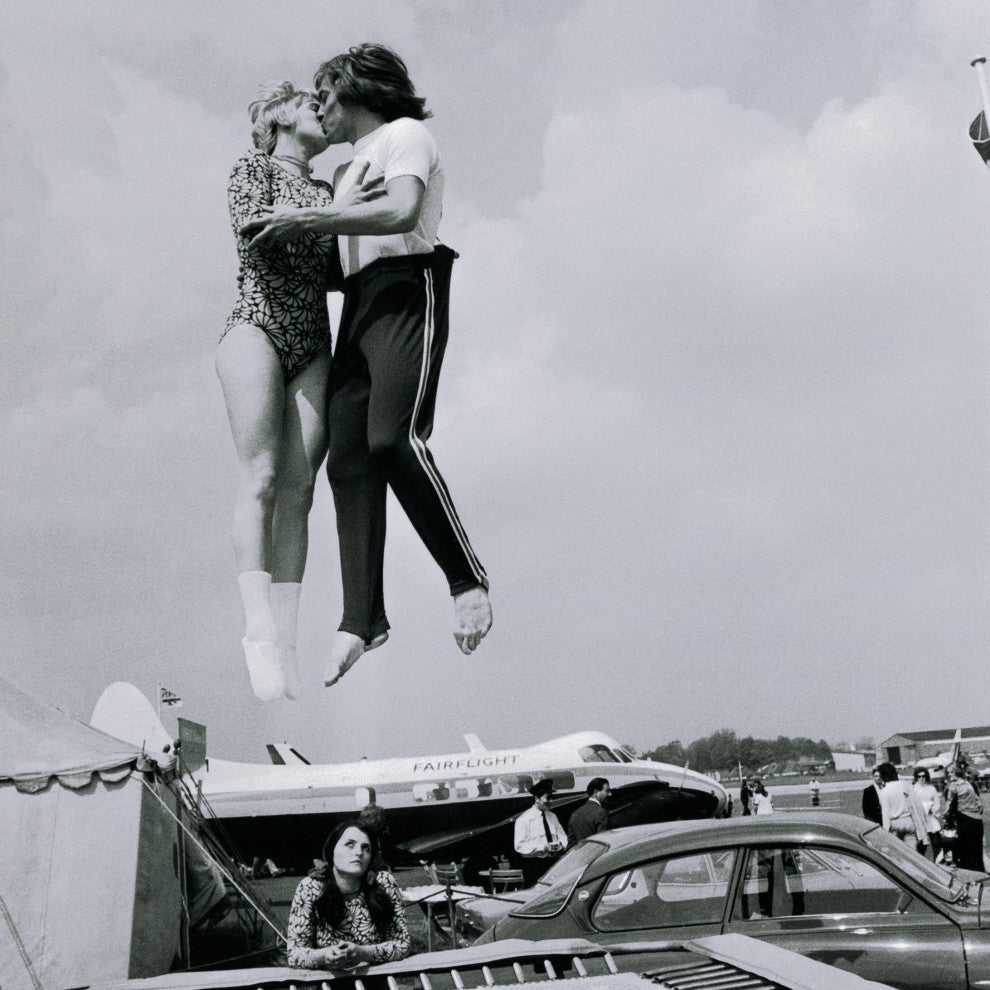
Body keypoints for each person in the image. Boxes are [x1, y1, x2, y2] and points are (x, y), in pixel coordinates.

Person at [241, 44, 492, 687]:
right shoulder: (348, 172)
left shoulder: (405, 136)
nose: (320, 108)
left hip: (409, 287)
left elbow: (403, 209)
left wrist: (306, 216)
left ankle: (466, 581)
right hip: (358, 306)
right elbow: (328, 255)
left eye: (325, 96)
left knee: (393, 439)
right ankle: (362, 617)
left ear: (354, 93)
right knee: (348, 459)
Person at [217, 82, 381, 701]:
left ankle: (285, 636)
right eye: (310, 101)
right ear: (281, 117)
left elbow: (338, 272)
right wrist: (331, 216)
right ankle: (257, 629)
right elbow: (256, 230)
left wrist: (351, 213)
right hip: (257, 326)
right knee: (259, 475)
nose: (322, 105)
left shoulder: (323, 191)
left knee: (301, 486)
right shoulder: (252, 169)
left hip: (312, 339)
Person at [286, 821, 410, 968]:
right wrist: (323, 956)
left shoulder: (383, 883)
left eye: (366, 848)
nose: (359, 852)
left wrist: (363, 953)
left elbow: (402, 944)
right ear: (331, 851)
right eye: (350, 844)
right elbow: (294, 954)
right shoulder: (311, 888)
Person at [514, 779, 567, 886]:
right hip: (534, 867)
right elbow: (519, 846)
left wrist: (560, 845)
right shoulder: (524, 820)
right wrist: (543, 847)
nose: (551, 801)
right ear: (537, 798)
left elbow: (563, 837)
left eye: (552, 798)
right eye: (548, 798)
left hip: (553, 865)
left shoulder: (552, 817)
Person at [876, 762, 928, 850]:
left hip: (895, 822)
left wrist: (885, 831)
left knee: (898, 853)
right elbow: (917, 804)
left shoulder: (884, 792)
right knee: (912, 853)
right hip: (909, 821)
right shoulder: (906, 785)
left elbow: (885, 814)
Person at [945, 760, 985, 872]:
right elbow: (979, 804)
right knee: (977, 849)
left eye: (951, 772)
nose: (949, 774)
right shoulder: (969, 784)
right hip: (977, 820)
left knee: (965, 850)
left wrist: (947, 817)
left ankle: (969, 872)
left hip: (964, 819)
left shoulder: (953, 786)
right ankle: (979, 871)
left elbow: (948, 806)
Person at [567, 778, 611, 842]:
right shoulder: (602, 813)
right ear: (596, 792)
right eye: (607, 791)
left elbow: (571, 844)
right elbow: (604, 840)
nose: (610, 794)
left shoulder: (574, 815)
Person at [912, 767, 942, 859]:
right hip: (919, 820)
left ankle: (936, 861)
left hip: (930, 819)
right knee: (921, 845)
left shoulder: (931, 789)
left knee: (936, 842)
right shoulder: (913, 789)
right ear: (916, 778)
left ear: (927, 777)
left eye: (923, 776)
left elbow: (937, 804)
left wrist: (932, 809)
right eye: (919, 777)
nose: (921, 779)